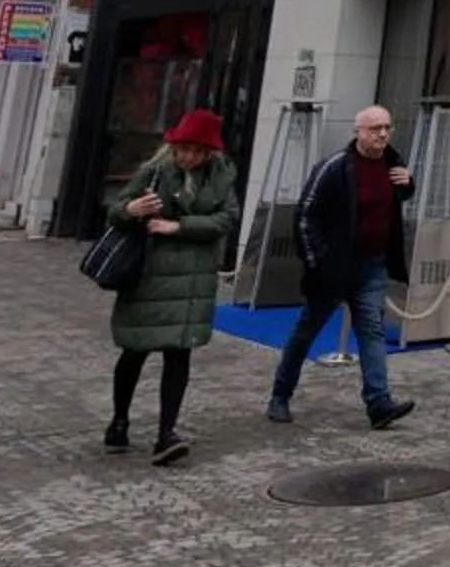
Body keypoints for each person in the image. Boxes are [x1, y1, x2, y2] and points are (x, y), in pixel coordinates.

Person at [102, 108, 240, 466]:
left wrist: (179, 227)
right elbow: (114, 210)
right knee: (135, 349)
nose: (189, 157)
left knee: (180, 352)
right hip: (150, 275)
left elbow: (227, 218)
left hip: (193, 279)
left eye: (197, 151)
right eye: (184, 149)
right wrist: (132, 209)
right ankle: (119, 420)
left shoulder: (222, 175)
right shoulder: (155, 171)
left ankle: (167, 433)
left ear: (209, 152)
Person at [267, 105, 417, 430]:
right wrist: (317, 261)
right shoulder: (336, 167)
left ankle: (379, 403)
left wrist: (408, 184)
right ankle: (280, 394)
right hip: (334, 266)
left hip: (372, 265)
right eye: (375, 128)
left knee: (372, 330)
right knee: (308, 329)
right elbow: (306, 214)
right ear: (358, 131)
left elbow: (397, 197)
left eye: (387, 127)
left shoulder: (393, 163)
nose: (382, 134)